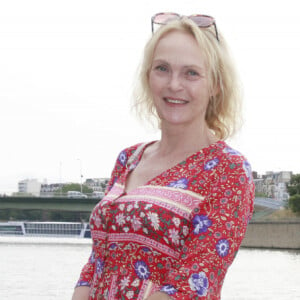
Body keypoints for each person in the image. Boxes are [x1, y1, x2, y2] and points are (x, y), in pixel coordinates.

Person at [72, 12, 255, 300]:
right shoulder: (128, 158)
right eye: (162, 68)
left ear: (216, 85)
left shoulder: (228, 169)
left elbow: (194, 283)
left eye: (191, 73)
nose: (174, 85)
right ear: (148, 76)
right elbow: (96, 264)